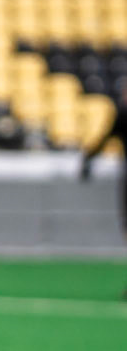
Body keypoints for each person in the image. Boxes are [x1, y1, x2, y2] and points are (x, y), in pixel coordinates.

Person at [79, 93, 127, 296]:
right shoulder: (123, 115)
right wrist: (89, 157)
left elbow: (105, 137)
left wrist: (88, 158)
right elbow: (106, 137)